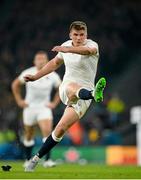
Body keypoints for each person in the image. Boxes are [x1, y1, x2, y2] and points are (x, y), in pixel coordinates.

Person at [24, 21, 106, 171]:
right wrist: (36, 76)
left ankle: (35, 159)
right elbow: (54, 63)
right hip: (67, 88)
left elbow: (88, 51)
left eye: (82, 35)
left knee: (61, 128)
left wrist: (67, 49)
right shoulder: (65, 45)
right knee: (71, 88)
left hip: (84, 95)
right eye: (76, 34)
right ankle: (94, 94)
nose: (79, 37)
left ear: (86, 35)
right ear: (70, 35)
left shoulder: (92, 45)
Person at [12, 51, 61, 168]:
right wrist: (19, 100)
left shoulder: (52, 75)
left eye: (43, 59)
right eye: (38, 59)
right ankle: (28, 159)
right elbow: (15, 84)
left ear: (47, 60)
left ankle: (48, 160)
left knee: (47, 132)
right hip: (30, 107)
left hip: (44, 108)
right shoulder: (28, 72)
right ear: (34, 61)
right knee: (29, 134)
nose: (41, 61)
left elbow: (61, 87)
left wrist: (54, 103)